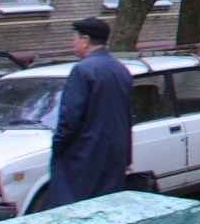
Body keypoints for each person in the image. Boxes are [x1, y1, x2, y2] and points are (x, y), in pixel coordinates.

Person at [40, 16, 135, 209]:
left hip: (84, 156)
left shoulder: (83, 71)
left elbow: (70, 117)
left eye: (74, 38)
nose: (72, 42)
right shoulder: (120, 69)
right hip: (114, 155)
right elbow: (127, 115)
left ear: (85, 39)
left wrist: (58, 146)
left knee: (76, 211)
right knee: (106, 210)